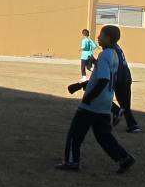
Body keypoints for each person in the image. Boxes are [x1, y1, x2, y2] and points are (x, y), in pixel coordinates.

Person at [57, 25, 135, 174]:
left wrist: (89, 98)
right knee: (103, 136)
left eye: (101, 35)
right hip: (105, 102)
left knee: (75, 133)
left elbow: (103, 80)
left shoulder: (104, 55)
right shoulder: (114, 54)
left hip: (94, 103)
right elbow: (102, 76)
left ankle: (71, 161)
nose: (98, 37)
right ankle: (124, 158)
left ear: (108, 38)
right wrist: (79, 86)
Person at [110, 37, 141, 133]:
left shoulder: (111, 50)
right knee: (125, 105)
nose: (98, 38)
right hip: (126, 78)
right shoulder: (117, 47)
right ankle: (132, 125)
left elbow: (114, 65)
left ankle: (116, 111)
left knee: (102, 97)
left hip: (120, 79)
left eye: (101, 35)